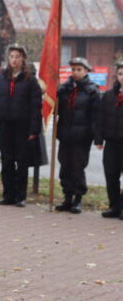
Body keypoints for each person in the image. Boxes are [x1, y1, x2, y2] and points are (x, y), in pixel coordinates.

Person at [0, 43, 42, 207]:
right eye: (11, 56)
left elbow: (35, 106)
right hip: (6, 125)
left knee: (22, 161)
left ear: (23, 58)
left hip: (23, 126)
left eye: (17, 57)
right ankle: (8, 194)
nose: (14, 60)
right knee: (7, 161)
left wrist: (34, 129)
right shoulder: (2, 79)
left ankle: (20, 196)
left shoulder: (30, 80)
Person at [54, 57, 100, 213]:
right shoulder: (64, 89)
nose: (75, 72)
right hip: (65, 135)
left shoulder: (92, 90)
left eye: (79, 69)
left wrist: (93, 136)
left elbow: (95, 117)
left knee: (77, 168)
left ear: (86, 71)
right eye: (73, 69)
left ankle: (78, 198)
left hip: (81, 137)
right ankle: (67, 198)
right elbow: (56, 110)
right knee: (64, 167)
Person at [94, 63, 123, 219]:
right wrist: (99, 138)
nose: (122, 77)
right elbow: (100, 118)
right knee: (111, 175)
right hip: (111, 143)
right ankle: (115, 207)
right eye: (120, 73)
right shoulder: (109, 95)